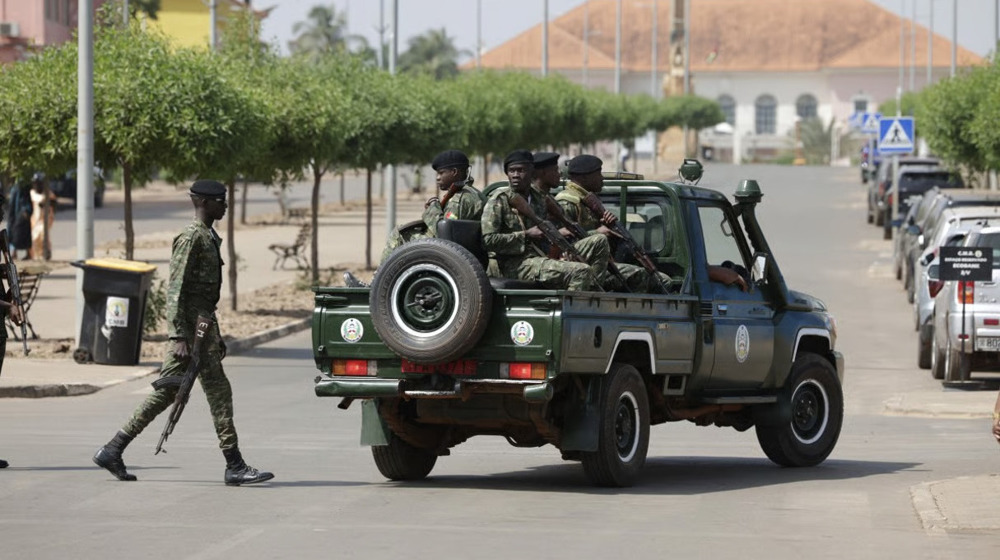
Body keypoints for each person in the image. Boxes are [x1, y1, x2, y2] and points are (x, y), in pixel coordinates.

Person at [93, 180, 273, 486]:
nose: (225, 205)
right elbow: (175, 291)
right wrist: (177, 336)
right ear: (203, 202)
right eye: (220, 200)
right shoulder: (192, 238)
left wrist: (215, 334)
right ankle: (235, 465)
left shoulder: (207, 236)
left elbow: (203, 298)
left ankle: (113, 449)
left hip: (201, 327)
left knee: (171, 392)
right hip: (190, 332)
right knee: (216, 392)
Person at [345, 150, 483, 287]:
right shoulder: (470, 193)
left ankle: (377, 285)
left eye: (441, 173)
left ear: (454, 172)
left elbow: (445, 233)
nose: (437, 178)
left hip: (453, 254)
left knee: (399, 235)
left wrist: (432, 210)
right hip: (461, 252)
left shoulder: (461, 198)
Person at [481, 149, 609, 291]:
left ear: (532, 172)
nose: (516, 175)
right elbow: (488, 240)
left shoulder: (539, 198)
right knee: (581, 271)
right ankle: (567, 310)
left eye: (521, 170)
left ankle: (593, 293)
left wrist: (560, 250)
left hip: (540, 257)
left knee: (599, 240)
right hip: (514, 264)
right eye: (512, 171)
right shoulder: (500, 199)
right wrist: (526, 235)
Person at [555, 154, 668, 292]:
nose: (602, 178)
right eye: (598, 174)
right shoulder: (568, 202)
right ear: (584, 177)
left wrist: (608, 227)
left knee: (659, 279)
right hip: (577, 267)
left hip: (597, 264)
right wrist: (598, 232)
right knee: (650, 279)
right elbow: (559, 243)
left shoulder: (588, 200)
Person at [29, 174, 56, 260]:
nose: (37, 185)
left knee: (44, 235)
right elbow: (37, 199)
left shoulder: (48, 193)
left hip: (45, 219)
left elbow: (53, 202)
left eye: (39, 183)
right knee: (35, 238)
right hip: (35, 220)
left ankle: (46, 252)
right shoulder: (33, 193)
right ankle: (38, 256)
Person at [6, 177, 33, 260]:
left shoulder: (22, 187)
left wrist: (25, 211)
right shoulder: (15, 187)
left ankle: (26, 253)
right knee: (13, 233)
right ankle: (14, 253)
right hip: (14, 214)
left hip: (20, 214)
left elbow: (24, 200)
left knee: (19, 234)